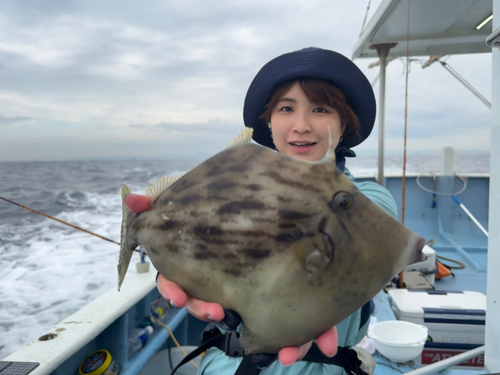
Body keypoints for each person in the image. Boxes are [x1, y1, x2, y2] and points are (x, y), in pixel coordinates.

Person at [125, 47, 398, 375]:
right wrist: (175, 264)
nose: (301, 125)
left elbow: (355, 239)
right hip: (225, 365)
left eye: (321, 109)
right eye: (286, 108)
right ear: (269, 122)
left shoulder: (367, 198)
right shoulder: (232, 192)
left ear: (344, 125)